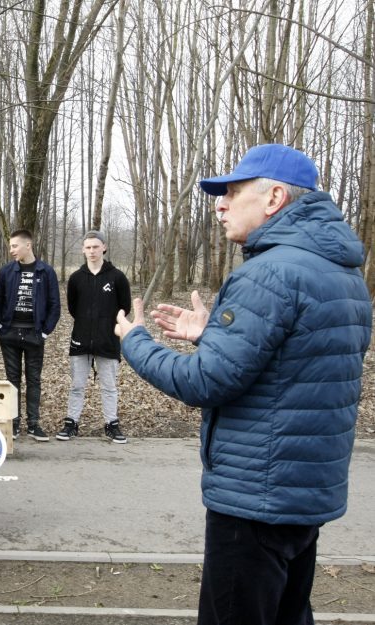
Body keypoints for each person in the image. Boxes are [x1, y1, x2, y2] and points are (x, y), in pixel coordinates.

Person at [114, 144, 372, 625]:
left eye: (233, 192)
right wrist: (216, 333)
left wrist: (136, 342)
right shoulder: (342, 273)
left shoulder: (269, 272)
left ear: (274, 197)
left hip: (255, 498)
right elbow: (294, 367)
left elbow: (205, 382)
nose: (220, 204)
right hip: (304, 495)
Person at [58, 230, 132, 444]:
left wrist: (104, 325)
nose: (92, 251)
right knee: (77, 385)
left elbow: (124, 308)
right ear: (83, 250)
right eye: (88, 247)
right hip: (80, 339)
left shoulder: (116, 277)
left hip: (107, 340)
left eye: (95, 247)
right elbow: (73, 308)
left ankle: (112, 424)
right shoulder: (76, 278)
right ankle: (71, 422)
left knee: (109, 386)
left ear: (104, 248)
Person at [0, 229, 60, 442]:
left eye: (14, 246)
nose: (11, 250)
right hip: (10, 333)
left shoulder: (45, 271)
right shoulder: (6, 272)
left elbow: (54, 305)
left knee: (33, 379)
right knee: (12, 380)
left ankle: (34, 424)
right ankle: (13, 423)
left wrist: (45, 332)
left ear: (28, 245)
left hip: (34, 334)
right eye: (11, 246)